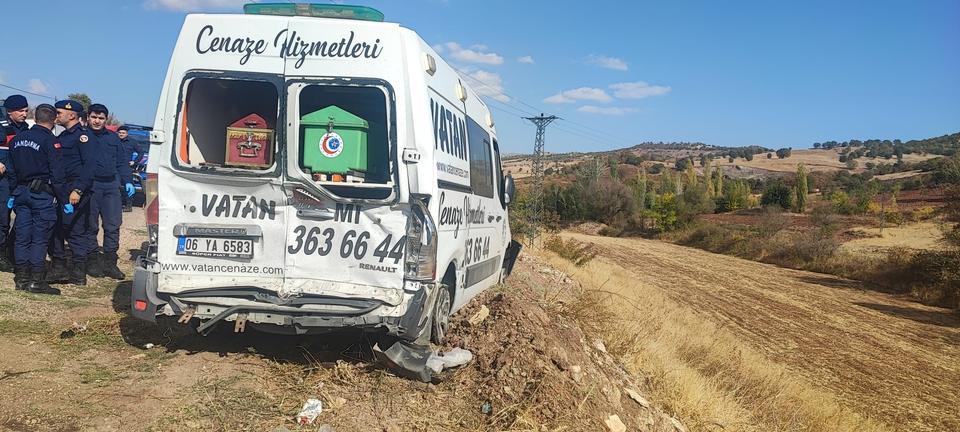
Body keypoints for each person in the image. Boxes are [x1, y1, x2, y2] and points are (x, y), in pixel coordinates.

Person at [6, 104, 63, 294]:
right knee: (39, 238)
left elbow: (11, 169)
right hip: (42, 195)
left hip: (21, 193)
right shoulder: (50, 141)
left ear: (35, 117)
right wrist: (63, 198)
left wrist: (14, 191)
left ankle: (21, 278)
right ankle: (36, 281)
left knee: (22, 237)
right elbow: (57, 174)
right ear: (54, 120)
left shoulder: (17, 140)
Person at [47, 100, 95, 285]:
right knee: (65, 230)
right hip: (62, 189)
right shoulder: (64, 135)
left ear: (72, 115)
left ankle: (72, 271)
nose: (56, 115)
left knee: (67, 231)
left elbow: (89, 166)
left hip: (74, 191)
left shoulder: (82, 137)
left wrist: (78, 190)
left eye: (59, 112)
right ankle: (70, 272)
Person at [85, 104, 134, 280]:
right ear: (88, 117)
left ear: (106, 120)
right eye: (94, 117)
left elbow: (121, 162)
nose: (97, 121)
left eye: (101, 118)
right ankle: (92, 261)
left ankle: (110, 262)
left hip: (111, 186)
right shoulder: (82, 136)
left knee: (113, 225)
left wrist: (127, 180)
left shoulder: (113, 139)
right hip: (90, 187)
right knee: (90, 226)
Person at [0, 95, 29, 273]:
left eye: (26, 110)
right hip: (3, 179)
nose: (24, 114)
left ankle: (10, 252)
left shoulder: (25, 129)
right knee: (3, 219)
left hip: (18, 180)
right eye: (21, 111)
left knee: (21, 221)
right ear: (10, 111)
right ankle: (1, 255)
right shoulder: (2, 127)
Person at [117, 125, 141, 212]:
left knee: (129, 187)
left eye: (123, 133)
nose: (121, 134)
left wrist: (135, 162)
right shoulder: (115, 141)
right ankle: (117, 205)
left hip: (126, 168)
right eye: (119, 133)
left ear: (127, 134)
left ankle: (128, 205)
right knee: (116, 187)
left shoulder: (132, 142)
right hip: (115, 167)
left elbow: (140, 152)